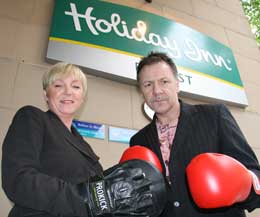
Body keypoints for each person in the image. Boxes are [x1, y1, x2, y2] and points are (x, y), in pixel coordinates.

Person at [2, 62, 167, 217]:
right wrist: (87, 198)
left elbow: (99, 198)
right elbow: (18, 179)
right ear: (46, 94)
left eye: (75, 86)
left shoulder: (85, 147)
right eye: (58, 85)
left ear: (82, 97)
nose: (68, 92)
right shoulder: (32, 118)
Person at [129, 51, 260, 217]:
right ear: (141, 91)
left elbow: (254, 173)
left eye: (164, 81)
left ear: (177, 84)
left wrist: (243, 185)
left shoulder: (214, 116)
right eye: (148, 84)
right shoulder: (138, 141)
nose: (157, 91)